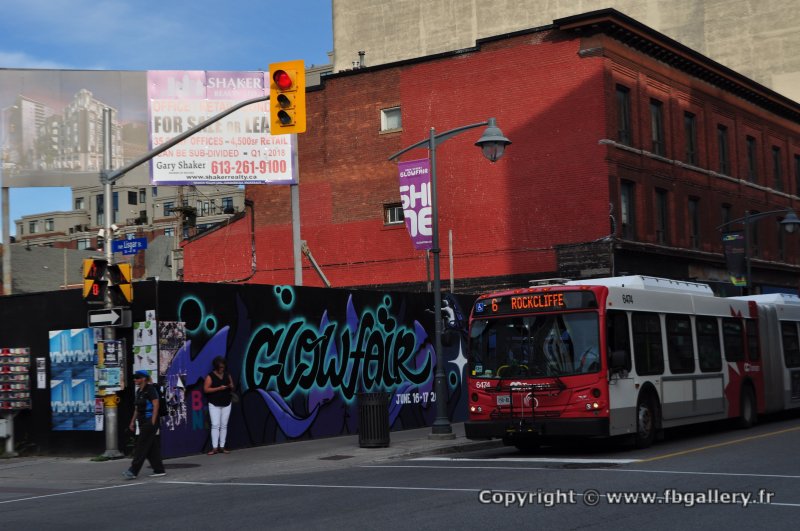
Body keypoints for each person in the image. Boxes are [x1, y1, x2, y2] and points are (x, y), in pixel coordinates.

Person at [123, 371, 166, 479]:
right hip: (141, 422)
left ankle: (133, 471)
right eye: (134, 378)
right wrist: (132, 421)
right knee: (151, 447)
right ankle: (159, 469)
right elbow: (137, 409)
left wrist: (153, 420)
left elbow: (156, 404)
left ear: (143, 378)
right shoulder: (139, 391)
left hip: (149, 421)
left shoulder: (150, 389)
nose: (135, 379)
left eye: (137, 377)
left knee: (141, 446)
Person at [204, 356, 235, 455]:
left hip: (226, 402)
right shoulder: (210, 376)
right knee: (215, 425)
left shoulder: (227, 375)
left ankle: (222, 446)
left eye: (223, 367)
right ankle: (214, 447)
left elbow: (232, 386)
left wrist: (230, 386)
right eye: (220, 367)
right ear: (216, 367)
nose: (222, 369)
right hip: (214, 403)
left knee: (224, 425)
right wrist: (219, 388)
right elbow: (206, 389)